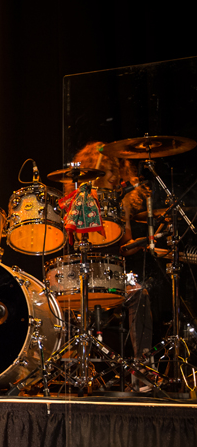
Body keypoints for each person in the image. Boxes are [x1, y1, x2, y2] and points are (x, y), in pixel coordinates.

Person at [63, 142, 153, 360]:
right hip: (80, 272)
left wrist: (139, 244)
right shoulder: (80, 198)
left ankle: (142, 364)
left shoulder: (121, 202)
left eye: (118, 171)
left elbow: (125, 246)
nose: (115, 177)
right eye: (110, 171)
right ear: (95, 171)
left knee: (140, 292)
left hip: (110, 274)